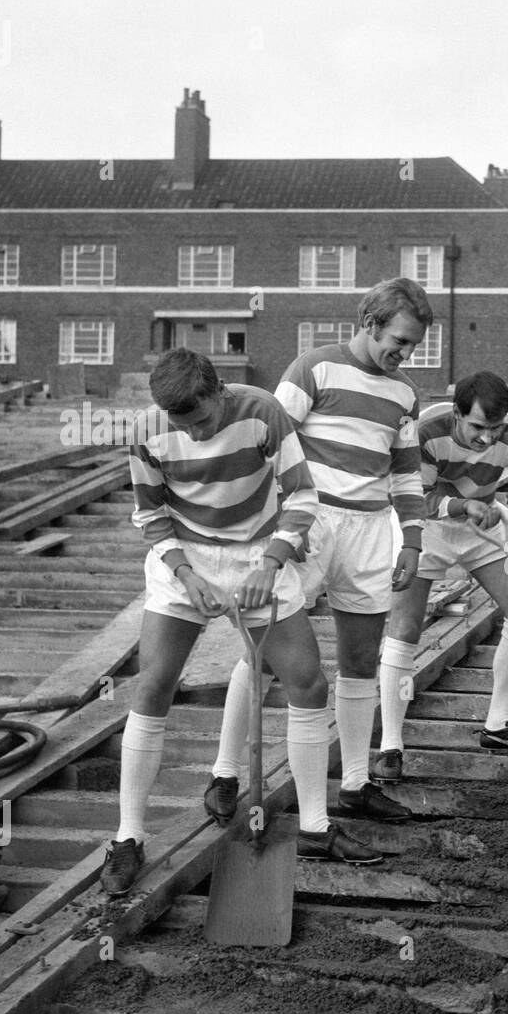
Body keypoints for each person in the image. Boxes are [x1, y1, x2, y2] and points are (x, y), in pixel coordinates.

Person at [104, 348, 374, 895]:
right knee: (153, 685)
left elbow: (302, 493)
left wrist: (272, 560)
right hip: (186, 558)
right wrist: (186, 574)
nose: (196, 434)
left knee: (307, 681)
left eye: (202, 420)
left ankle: (317, 826)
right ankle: (128, 837)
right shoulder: (147, 430)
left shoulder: (263, 411)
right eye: (183, 425)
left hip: (256, 552)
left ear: (219, 393)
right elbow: (150, 513)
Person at [206, 277, 431, 836]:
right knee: (263, 654)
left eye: (413, 346)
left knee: (360, 658)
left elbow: (404, 472)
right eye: (398, 339)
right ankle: (225, 772)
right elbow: (267, 448)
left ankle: (355, 782)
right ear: (370, 323)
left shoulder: (404, 393)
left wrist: (414, 538)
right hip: (310, 522)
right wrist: (283, 524)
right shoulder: (312, 369)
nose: (403, 353)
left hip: (370, 528)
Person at [375, 371, 508, 774]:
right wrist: (461, 506)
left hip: (481, 525)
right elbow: (413, 498)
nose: (488, 439)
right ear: (457, 414)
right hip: (423, 526)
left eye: (496, 428)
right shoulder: (425, 433)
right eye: (477, 427)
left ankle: (498, 724)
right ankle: (390, 745)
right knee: (405, 627)